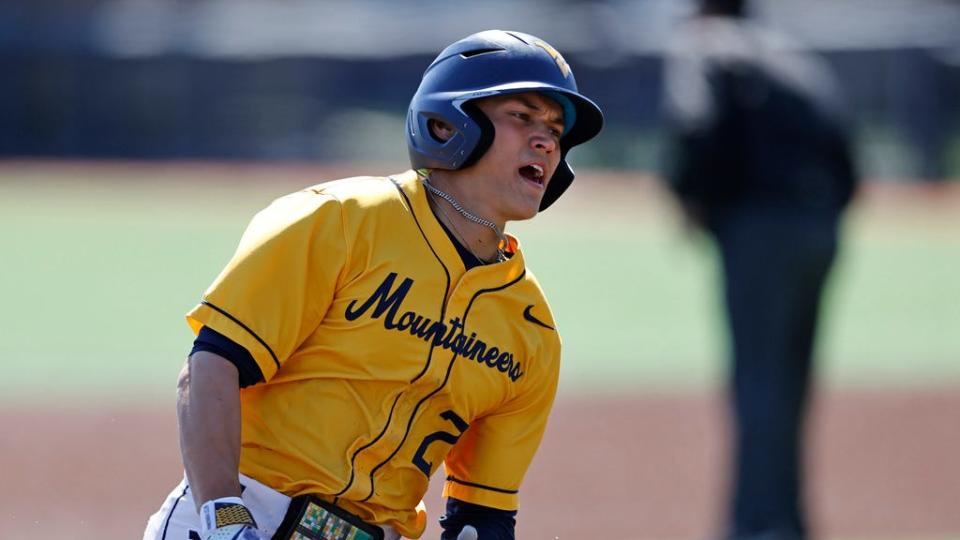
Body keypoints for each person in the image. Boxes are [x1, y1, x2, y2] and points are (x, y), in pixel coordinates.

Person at [142, 29, 603, 540]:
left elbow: (482, 516)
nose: (546, 140)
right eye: (523, 116)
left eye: (557, 131)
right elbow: (211, 367)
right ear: (447, 124)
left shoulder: (530, 331)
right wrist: (224, 515)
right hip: (241, 512)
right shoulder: (339, 221)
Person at [660, 1, 859, 539]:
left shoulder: (703, 45)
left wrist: (690, 197)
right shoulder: (792, 53)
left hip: (758, 228)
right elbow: (844, 144)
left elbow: (695, 122)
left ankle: (754, 527)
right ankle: (788, 523)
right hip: (821, 228)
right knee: (792, 384)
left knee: (757, 383)